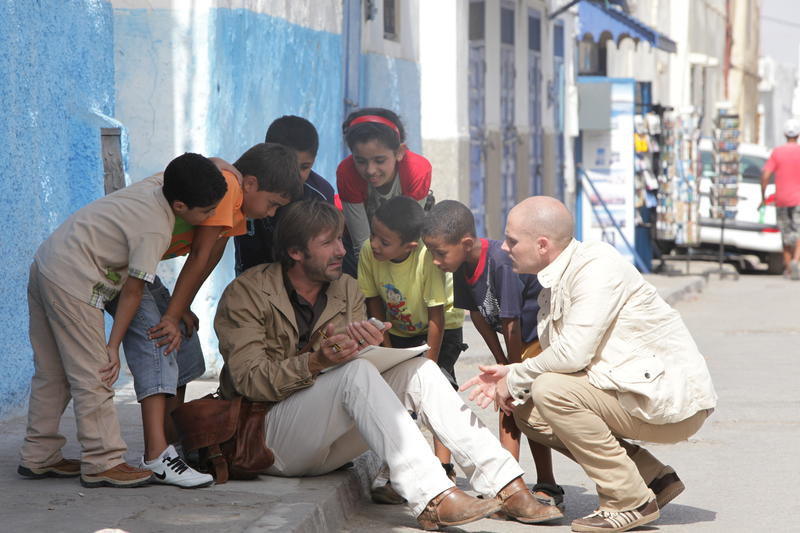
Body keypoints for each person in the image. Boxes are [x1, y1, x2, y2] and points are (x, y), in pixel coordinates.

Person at [214, 199, 563, 530]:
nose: (341, 251)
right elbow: (248, 380)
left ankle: (508, 486)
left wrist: (363, 348)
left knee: (421, 370)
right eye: (328, 243)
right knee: (355, 372)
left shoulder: (344, 289)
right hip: (267, 438)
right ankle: (433, 496)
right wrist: (316, 361)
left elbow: (348, 376)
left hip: (329, 441)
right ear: (295, 252)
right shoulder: (248, 292)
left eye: (340, 239)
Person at [462, 196, 717, 533]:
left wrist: (517, 374)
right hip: (630, 391)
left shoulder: (595, 268)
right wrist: (512, 378)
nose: (505, 248)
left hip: (671, 402)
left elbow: (572, 354)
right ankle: (651, 478)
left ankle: (628, 500)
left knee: (551, 390)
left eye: (512, 240)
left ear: (542, 245)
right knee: (526, 409)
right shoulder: (555, 278)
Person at [18, 153, 226, 488]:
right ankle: (103, 460)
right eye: (205, 211)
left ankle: (39, 455)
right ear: (180, 206)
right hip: (73, 280)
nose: (212, 217)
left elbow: (213, 162)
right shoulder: (156, 228)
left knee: (52, 372)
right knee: (96, 372)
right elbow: (131, 293)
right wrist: (113, 345)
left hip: (47, 262)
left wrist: (225, 168)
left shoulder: (160, 182)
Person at [106, 143, 301, 488]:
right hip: (117, 268)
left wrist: (181, 310)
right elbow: (197, 255)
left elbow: (210, 258)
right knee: (161, 341)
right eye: (272, 204)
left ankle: (171, 442)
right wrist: (170, 316)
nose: (271, 214)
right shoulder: (227, 187)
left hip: (137, 268)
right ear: (251, 183)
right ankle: (157, 455)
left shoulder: (238, 206)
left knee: (185, 345)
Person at [420, 199, 563, 509]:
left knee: (524, 404)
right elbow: (480, 316)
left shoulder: (499, 261)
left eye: (439, 253)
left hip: (537, 338)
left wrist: (512, 372)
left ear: (466, 243)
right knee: (508, 406)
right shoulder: (459, 265)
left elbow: (511, 322)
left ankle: (547, 483)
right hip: (513, 344)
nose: (435, 261)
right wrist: (501, 361)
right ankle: (508, 486)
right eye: (431, 253)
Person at [357, 196, 465, 495]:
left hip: (440, 329)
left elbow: (437, 317)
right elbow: (375, 305)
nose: (375, 244)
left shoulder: (425, 260)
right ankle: (401, 472)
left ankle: (444, 471)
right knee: (396, 397)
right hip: (396, 328)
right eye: (373, 235)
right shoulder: (369, 252)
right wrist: (389, 354)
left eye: (384, 241)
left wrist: (428, 365)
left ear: (409, 247)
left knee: (438, 391)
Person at [337, 107, 434, 276]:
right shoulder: (346, 172)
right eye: (360, 161)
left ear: (399, 152)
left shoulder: (417, 170)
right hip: (362, 240)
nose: (370, 170)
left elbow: (408, 235)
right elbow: (362, 245)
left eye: (379, 160)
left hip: (401, 241)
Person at [235, 115, 334, 274]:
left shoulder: (319, 196)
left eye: (304, 167)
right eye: (289, 166)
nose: (296, 175)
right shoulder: (247, 184)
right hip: (250, 279)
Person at [761, 117, 800, 279]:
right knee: (798, 231)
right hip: (799, 199)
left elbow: (765, 175)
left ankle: (788, 268)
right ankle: (796, 261)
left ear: (784, 134)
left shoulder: (777, 152)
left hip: (781, 199)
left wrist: (762, 195)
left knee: (785, 233)